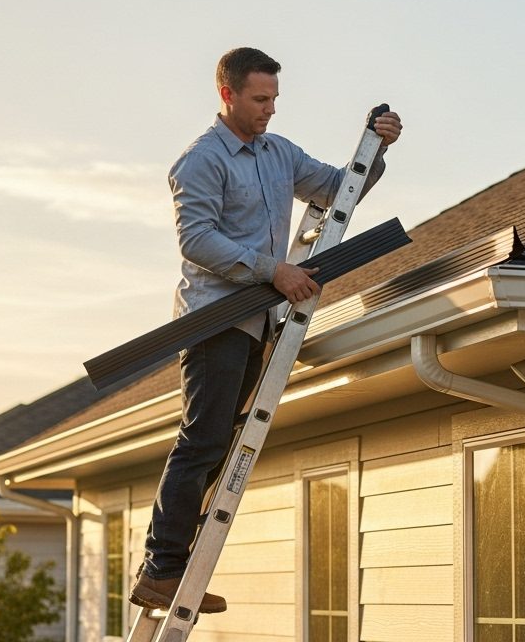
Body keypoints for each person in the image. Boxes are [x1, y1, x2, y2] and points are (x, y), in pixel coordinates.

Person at [129, 47, 402, 613]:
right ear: (227, 95)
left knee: (223, 440)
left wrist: (375, 149)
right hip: (216, 319)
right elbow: (196, 240)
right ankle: (161, 568)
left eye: (274, 99)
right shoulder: (201, 161)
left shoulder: (279, 154)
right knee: (203, 439)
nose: (269, 110)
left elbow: (335, 189)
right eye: (259, 99)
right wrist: (272, 269)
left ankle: (173, 565)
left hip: (257, 321)